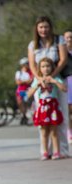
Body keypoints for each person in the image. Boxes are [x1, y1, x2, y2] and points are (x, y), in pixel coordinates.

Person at [28, 16, 69, 157]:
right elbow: (32, 65)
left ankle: (61, 150)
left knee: (61, 116)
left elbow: (63, 60)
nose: (43, 30)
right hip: (40, 83)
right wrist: (40, 79)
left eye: (46, 27)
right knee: (43, 120)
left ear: (50, 28)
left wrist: (51, 77)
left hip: (57, 79)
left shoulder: (59, 40)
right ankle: (45, 151)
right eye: (41, 27)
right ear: (37, 29)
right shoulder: (33, 44)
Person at [28, 57, 66, 160]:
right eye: (43, 66)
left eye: (48, 66)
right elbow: (29, 94)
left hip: (53, 107)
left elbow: (64, 89)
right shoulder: (37, 79)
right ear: (39, 68)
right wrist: (37, 85)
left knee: (54, 130)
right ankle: (44, 152)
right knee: (44, 131)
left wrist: (54, 81)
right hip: (43, 108)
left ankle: (56, 152)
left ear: (52, 67)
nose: (46, 69)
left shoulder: (55, 77)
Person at [15, 57, 33, 125]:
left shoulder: (30, 72)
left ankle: (27, 116)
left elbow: (31, 81)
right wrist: (26, 81)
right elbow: (18, 82)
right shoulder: (19, 72)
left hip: (28, 90)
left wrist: (22, 81)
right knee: (20, 103)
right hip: (20, 90)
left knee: (27, 103)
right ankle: (24, 116)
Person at [63, 30, 72, 143]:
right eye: (67, 37)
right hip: (67, 81)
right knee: (68, 110)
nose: (69, 39)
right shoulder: (61, 52)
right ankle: (69, 132)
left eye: (71, 37)